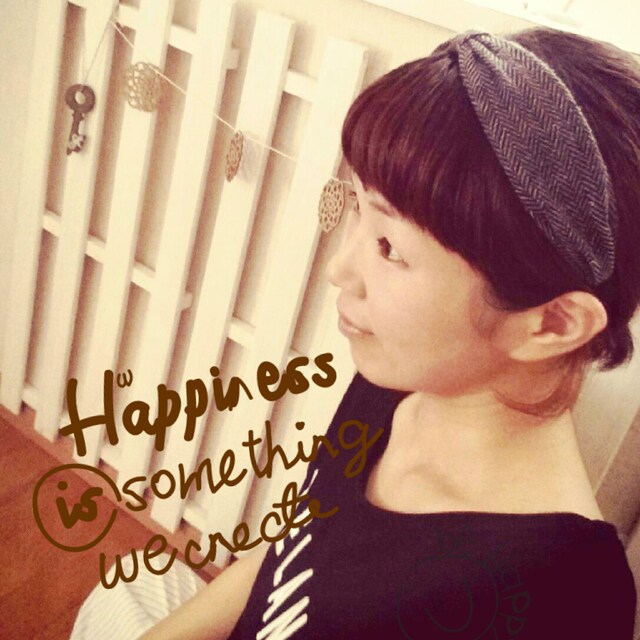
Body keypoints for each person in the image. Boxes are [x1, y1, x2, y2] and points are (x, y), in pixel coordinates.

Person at [73, 26, 640, 639]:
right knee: (128, 582)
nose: (339, 270)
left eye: (389, 246)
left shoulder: (566, 597)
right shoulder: (398, 385)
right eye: (355, 209)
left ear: (551, 323)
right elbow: (299, 543)